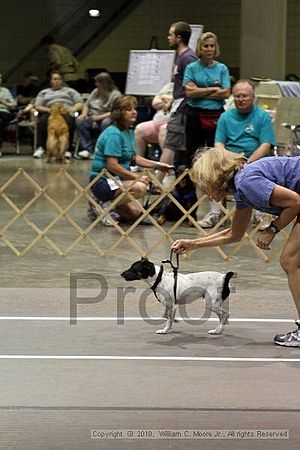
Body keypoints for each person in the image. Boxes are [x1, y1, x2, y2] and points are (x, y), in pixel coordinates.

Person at [171, 147, 300, 347]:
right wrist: (193, 244)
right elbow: (234, 234)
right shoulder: (242, 188)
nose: (207, 195)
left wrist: (272, 229)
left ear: (214, 177)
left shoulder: (247, 182)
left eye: (206, 187)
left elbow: (295, 202)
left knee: (290, 261)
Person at [198, 79, 276, 228]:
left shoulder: (263, 116)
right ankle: (216, 213)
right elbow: (218, 143)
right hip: (229, 160)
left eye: (244, 96)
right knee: (211, 171)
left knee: (258, 174)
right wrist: (225, 160)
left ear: (253, 97)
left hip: (254, 160)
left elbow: (265, 144)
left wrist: (248, 162)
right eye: (237, 96)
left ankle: (260, 214)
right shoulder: (225, 117)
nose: (241, 100)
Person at [89, 95, 173, 225]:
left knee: (135, 216)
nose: (134, 112)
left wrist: (157, 165)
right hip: (103, 181)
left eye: (134, 108)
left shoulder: (127, 132)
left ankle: (106, 204)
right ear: (119, 113)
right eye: (128, 109)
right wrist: (136, 177)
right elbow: (112, 166)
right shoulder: (114, 134)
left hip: (117, 181)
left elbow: (134, 157)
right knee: (140, 187)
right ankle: (102, 205)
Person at [183, 31, 231, 167]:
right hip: (195, 114)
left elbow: (226, 93)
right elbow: (189, 93)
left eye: (212, 46)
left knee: (214, 152)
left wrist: (199, 90)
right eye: (206, 46)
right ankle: (191, 184)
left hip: (215, 115)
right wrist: (213, 89)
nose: (209, 49)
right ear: (200, 48)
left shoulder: (222, 68)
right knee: (193, 152)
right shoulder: (192, 68)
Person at [158, 22, 198, 180]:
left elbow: (192, 86)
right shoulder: (182, 57)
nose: (168, 38)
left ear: (179, 37)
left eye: (170, 34)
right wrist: (172, 100)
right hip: (178, 104)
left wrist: (181, 102)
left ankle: (157, 182)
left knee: (171, 144)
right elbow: (181, 86)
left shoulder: (188, 58)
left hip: (184, 108)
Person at [34, 71, 83, 159]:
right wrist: (49, 110)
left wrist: (72, 109)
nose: (57, 81)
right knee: (42, 121)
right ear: (51, 81)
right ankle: (41, 148)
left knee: (70, 121)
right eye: (55, 79)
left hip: (66, 112)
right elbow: (37, 106)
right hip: (50, 112)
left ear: (62, 81)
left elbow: (80, 103)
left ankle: (67, 149)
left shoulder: (70, 91)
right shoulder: (44, 92)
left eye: (59, 79)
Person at [76, 72, 121, 159]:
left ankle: (102, 149)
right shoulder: (95, 91)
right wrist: (84, 114)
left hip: (106, 116)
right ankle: (87, 149)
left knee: (106, 123)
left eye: (98, 82)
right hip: (92, 116)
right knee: (80, 121)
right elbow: (86, 104)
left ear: (104, 83)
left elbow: (115, 111)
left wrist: (99, 117)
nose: (96, 84)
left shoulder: (115, 94)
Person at [134, 81, 173, 166]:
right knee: (139, 129)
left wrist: (163, 97)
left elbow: (179, 102)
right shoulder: (169, 85)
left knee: (164, 129)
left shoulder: (186, 86)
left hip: (173, 122)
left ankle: (167, 167)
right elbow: (155, 103)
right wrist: (170, 101)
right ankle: (139, 164)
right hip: (157, 121)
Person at [0, 73, 17, 157]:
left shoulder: (5, 91)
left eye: (0, 78)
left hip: (5, 112)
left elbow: (13, 105)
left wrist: (3, 102)